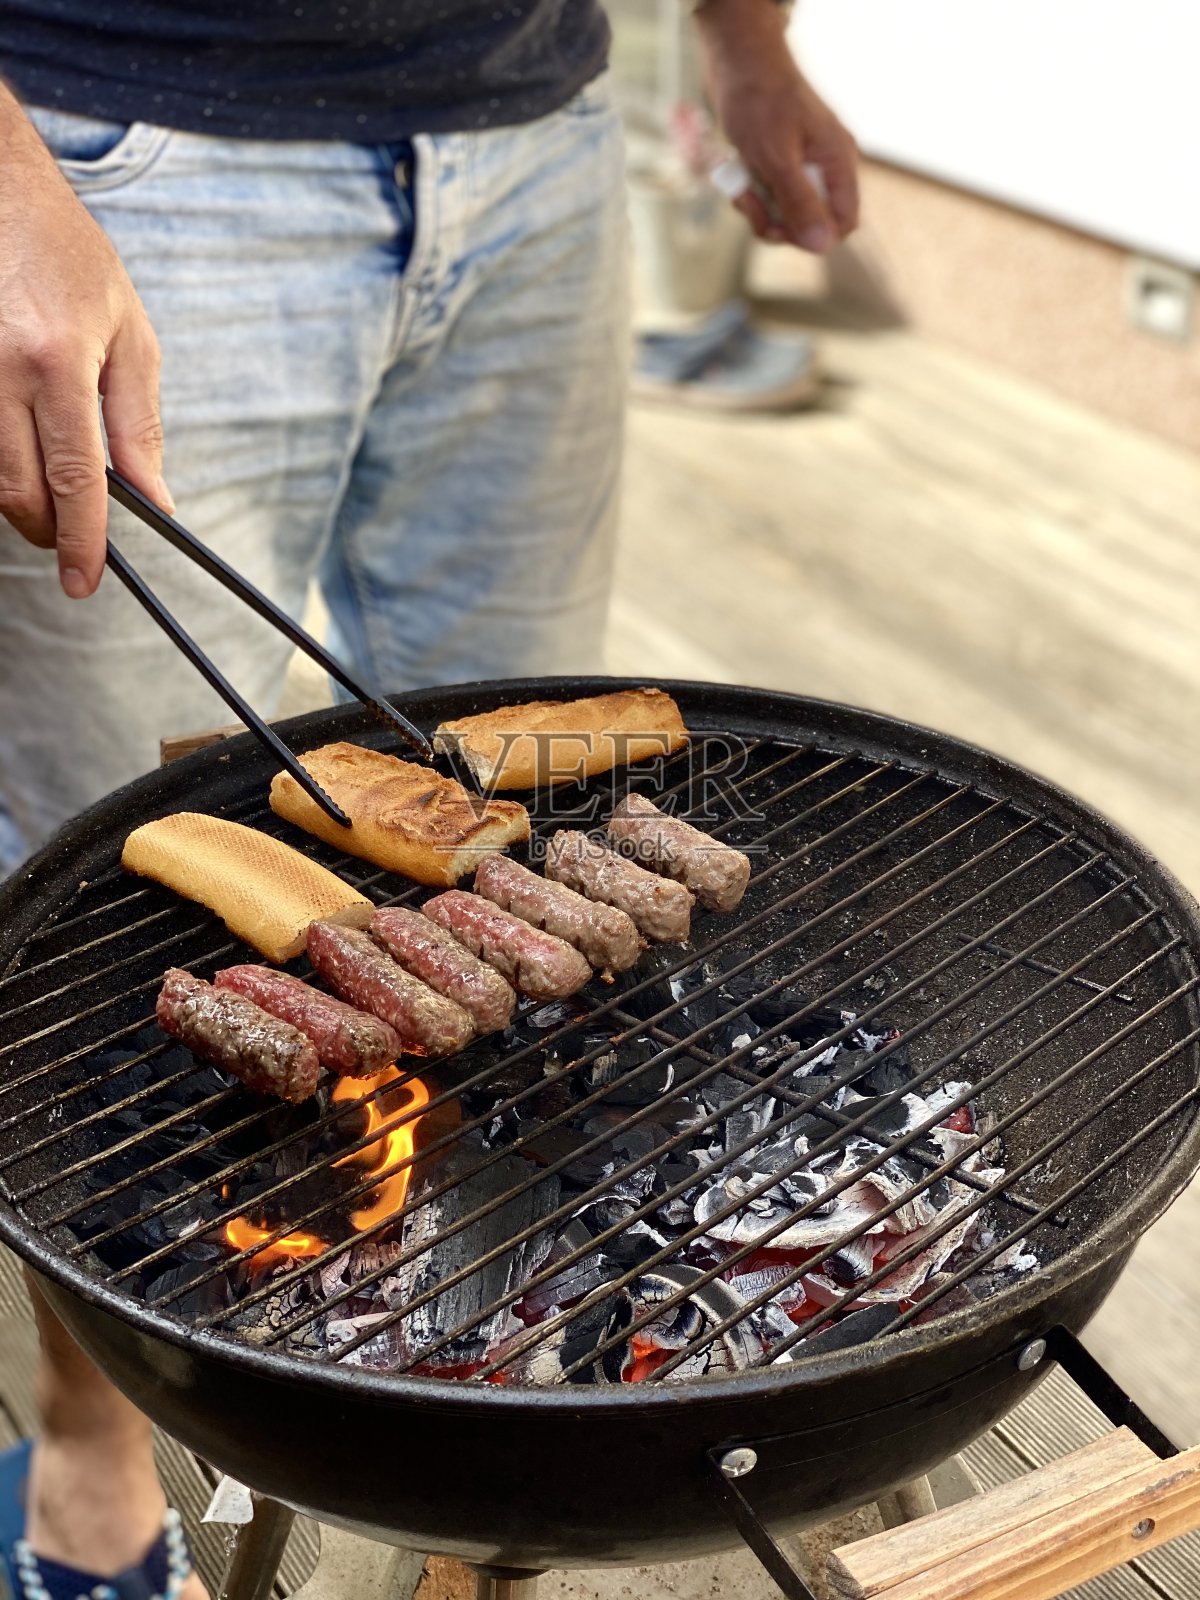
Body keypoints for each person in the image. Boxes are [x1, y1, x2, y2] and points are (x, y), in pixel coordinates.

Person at [0, 2, 858, 1595]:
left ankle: (482, 1424)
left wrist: (748, 46)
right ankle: (87, 1455)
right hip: (112, 150)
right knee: (105, 884)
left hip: (539, 138)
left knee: (493, 810)